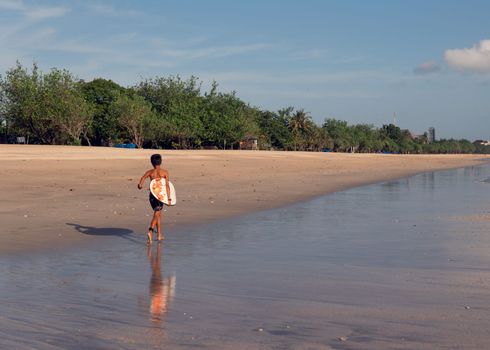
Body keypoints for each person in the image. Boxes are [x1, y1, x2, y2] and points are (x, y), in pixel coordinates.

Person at [138, 154, 171, 244]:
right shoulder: (165, 172)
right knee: (157, 213)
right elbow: (167, 186)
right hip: (160, 196)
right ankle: (150, 230)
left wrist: (140, 185)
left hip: (152, 195)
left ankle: (159, 235)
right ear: (161, 161)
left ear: (151, 162)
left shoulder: (150, 172)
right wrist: (169, 199)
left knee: (158, 214)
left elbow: (143, 177)